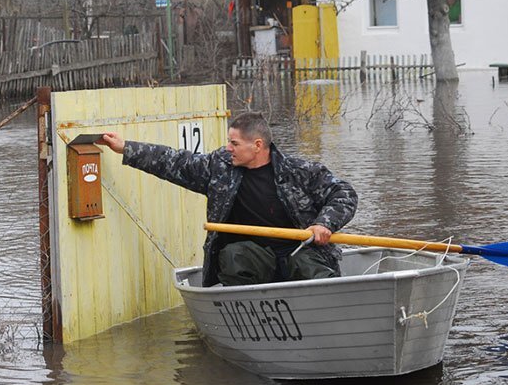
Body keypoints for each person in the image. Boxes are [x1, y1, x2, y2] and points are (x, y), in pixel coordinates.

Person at [97, 112, 357, 287]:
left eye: (234, 143)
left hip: (298, 251)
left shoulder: (299, 171)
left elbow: (344, 194)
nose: (228, 148)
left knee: (313, 269)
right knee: (234, 256)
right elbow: (174, 161)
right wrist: (126, 148)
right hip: (251, 259)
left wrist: (325, 224)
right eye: (228, 142)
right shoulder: (218, 168)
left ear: (257, 145)